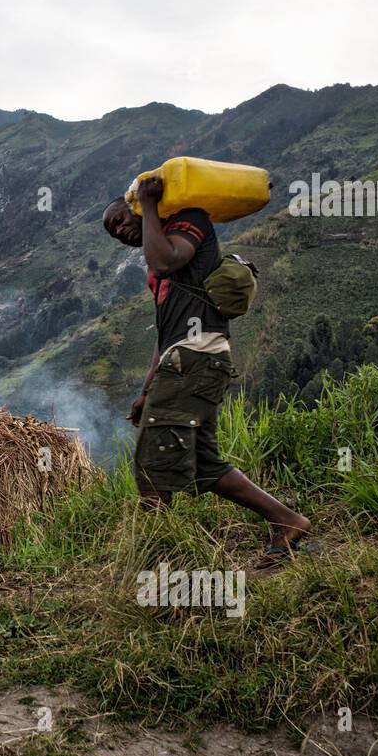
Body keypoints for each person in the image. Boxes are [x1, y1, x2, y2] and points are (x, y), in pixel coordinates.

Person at [103, 176, 313, 567]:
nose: (119, 231)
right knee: (202, 465)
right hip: (182, 359)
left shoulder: (191, 221)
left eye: (119, 220)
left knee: (153, 462)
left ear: (135, 206)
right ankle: (287, 521)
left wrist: (147, 204)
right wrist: (147, 389)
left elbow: (165, 258)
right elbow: (165, 330)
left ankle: (154, 563)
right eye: (112, 232)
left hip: (196, 359)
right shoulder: (158, 265)